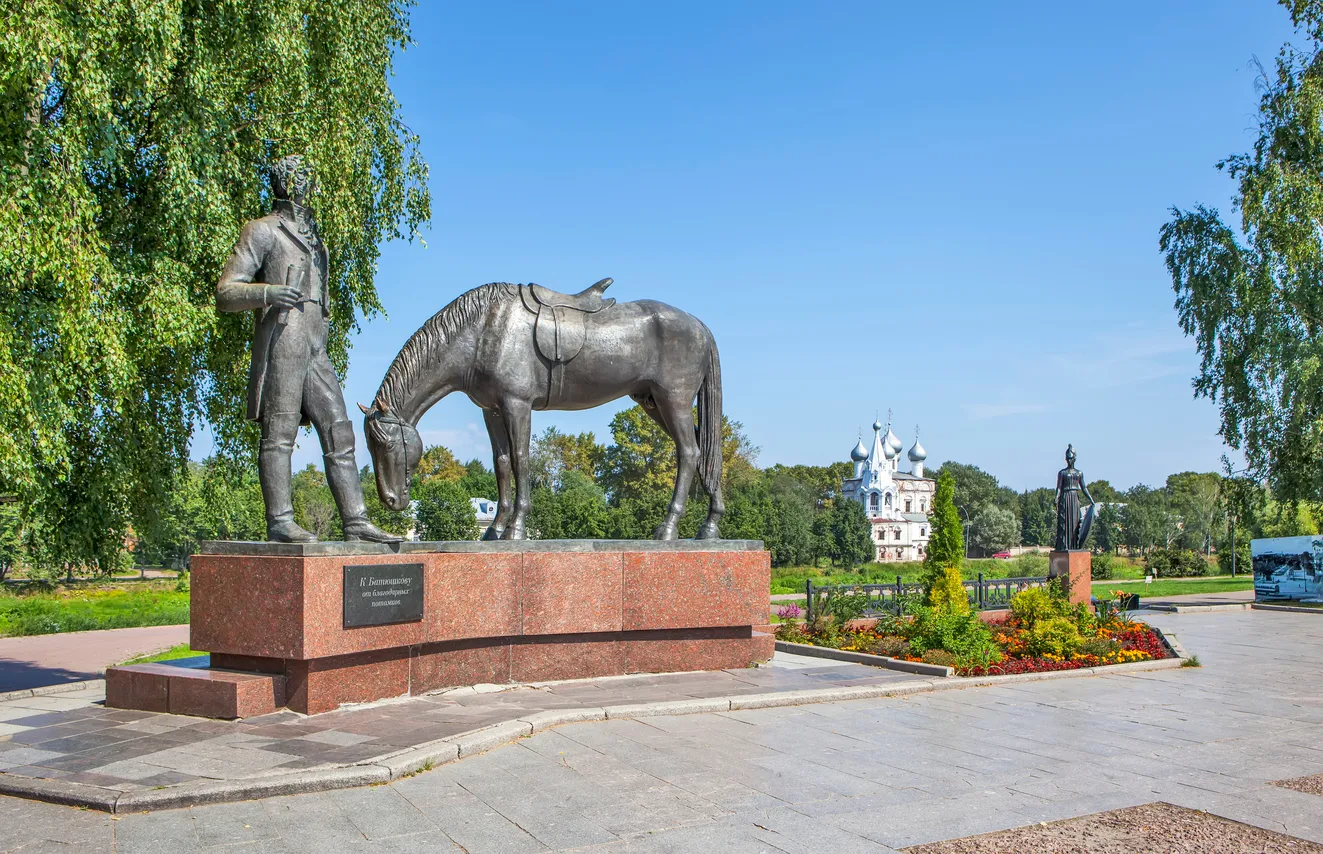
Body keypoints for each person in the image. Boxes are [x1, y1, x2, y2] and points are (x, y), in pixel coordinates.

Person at [216, 155, 400, 543]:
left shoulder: (317, 239)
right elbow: (226, 292)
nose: (307, 184)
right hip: (283, 340)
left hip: (316, 345)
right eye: (300, 178)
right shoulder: (262, 231)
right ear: (285, 184)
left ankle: (356, 521)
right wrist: (267, 292)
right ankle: (280, 521)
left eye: (307, 178)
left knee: (339, 431)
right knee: (279, 433)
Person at [1054, 444, 1095, 551]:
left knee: (1075, 522)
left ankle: (1074, 546)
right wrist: (1056, 498)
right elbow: (1058, 488)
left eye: (1071, 458)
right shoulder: (1062, 473)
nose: (1069, 460)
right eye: (1067, 458)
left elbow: (1084, 488)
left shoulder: (1079, 473)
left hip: (1074, 499)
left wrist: (1091, 499)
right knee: (1064, 522)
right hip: (1065, 497)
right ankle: (1064, 546)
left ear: (1075, 458)